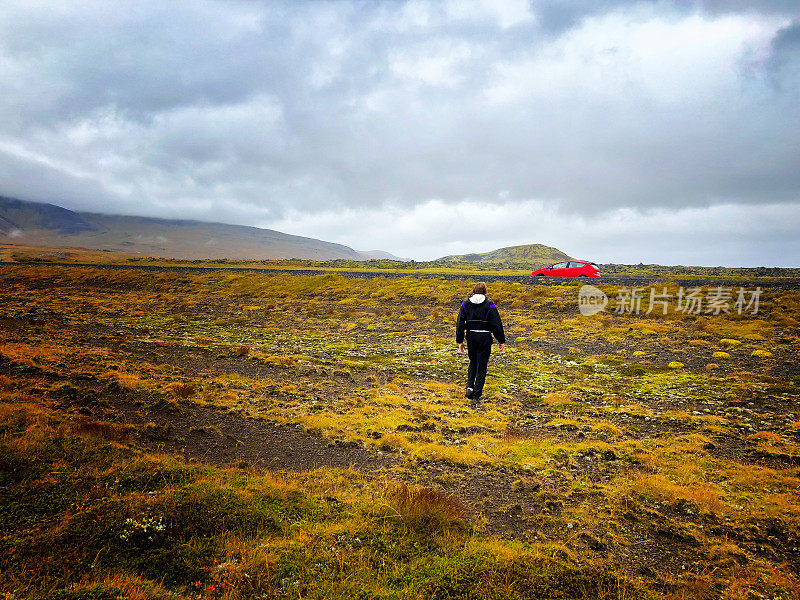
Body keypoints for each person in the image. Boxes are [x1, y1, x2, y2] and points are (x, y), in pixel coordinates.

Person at [456, 281, 505, 408]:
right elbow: (496, 323)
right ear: (485, 291)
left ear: (474, 290)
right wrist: (501, 340)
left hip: (471, 337)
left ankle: (470, 387)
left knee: (473, 362)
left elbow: (460, 323)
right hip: (484, 338)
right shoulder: (490, 305)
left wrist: (460, 341)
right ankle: (477, 396)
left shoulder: (465, 304)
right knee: (482, 366)